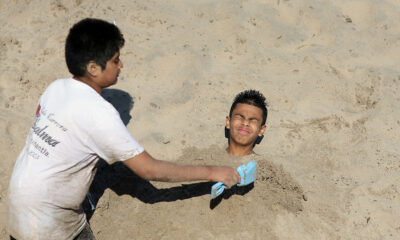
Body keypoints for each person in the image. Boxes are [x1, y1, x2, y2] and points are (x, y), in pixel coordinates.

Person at [7, 18, 240, 240]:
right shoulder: (100, 113)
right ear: (93, 68)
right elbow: (150, 170)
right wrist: (212, 171)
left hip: (18, 204)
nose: (121, 65)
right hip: (49, 223)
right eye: (115, 60)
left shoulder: (55, 88)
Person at [225, 90, 268, 157]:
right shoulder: (207, 160)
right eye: (240, 117)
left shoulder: (264, 166)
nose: (245, 123)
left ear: (261, 130)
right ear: (228, 122)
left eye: (253, 120)